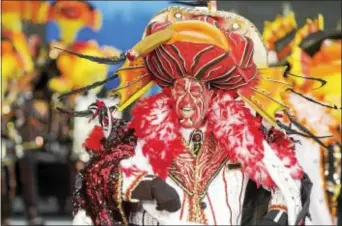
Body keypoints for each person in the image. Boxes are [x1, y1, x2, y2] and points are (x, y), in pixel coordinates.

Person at [63, 2, 313, 225]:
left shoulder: (245, 136)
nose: (185, 99)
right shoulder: (147, 132)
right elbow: (105, 173)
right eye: (179, 88)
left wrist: (276, 216)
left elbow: (287, 180)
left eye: (194, 89)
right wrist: (145, 186)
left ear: (212, 92)